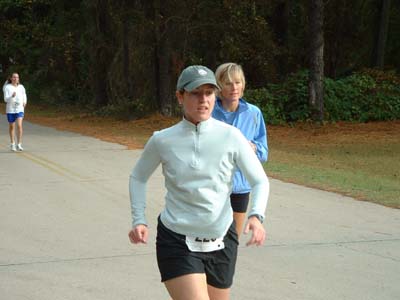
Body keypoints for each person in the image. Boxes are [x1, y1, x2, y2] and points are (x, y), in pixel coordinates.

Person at [128, 65, 270, 300]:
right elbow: (138, 177)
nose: (203, 100)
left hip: (222, 240)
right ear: (180, 96)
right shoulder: (163, 140)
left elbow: (259, 181)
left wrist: (257, 216)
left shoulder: (232, 136)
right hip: (177, 241)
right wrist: (138, 218)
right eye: (195, 93)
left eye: (209, 93)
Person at [212, 63, 268, 237]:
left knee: (232, 240)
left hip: (240, 187)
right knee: (212, 238)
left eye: (238, 82)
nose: (234, 87)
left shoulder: (253, 113)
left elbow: (263, 152)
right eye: (228, 83)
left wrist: (254, 148)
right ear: (219, 86)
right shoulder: (209, 112)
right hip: (213, 186)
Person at [3, 73, 27, 151]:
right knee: (12, 126)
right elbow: (5, 99)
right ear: (11, 78)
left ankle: (19, 144)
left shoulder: (21, 87)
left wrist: (25, 101)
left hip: (20, 109)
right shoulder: (7, 87)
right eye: (14, 77)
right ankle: (12, 144)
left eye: (17, 77)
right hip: (10, 109)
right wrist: (11, 96)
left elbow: (24, 95)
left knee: (19, 125)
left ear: (18, 79)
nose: (15, 78)